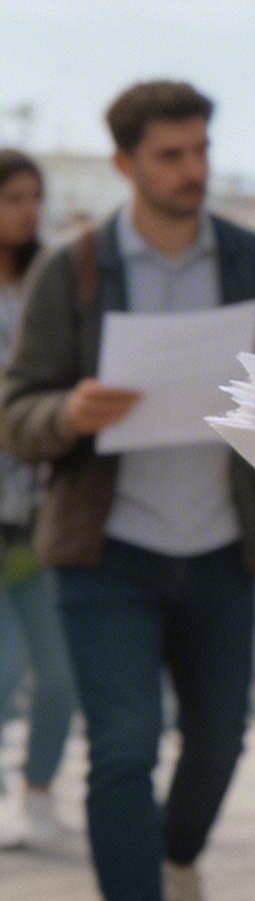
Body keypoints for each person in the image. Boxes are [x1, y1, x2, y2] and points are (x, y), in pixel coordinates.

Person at [2, 82, 255, 901]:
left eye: (200, 149)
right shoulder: (74, 268)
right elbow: (18, 410)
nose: (191, 169)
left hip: (221, 550)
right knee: (122, 750)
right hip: (108, 554)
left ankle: (173, 861)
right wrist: (68, 412)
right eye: (171, 155)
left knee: (220, 741)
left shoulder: (252, 259)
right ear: (124, 163)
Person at [0, 149, 78, 852]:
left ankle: (38, 793)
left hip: (37, 518)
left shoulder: (51, 284)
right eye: (11, 197)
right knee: (3, 669)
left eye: (33, 197)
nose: (26, 211)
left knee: (58, 671)